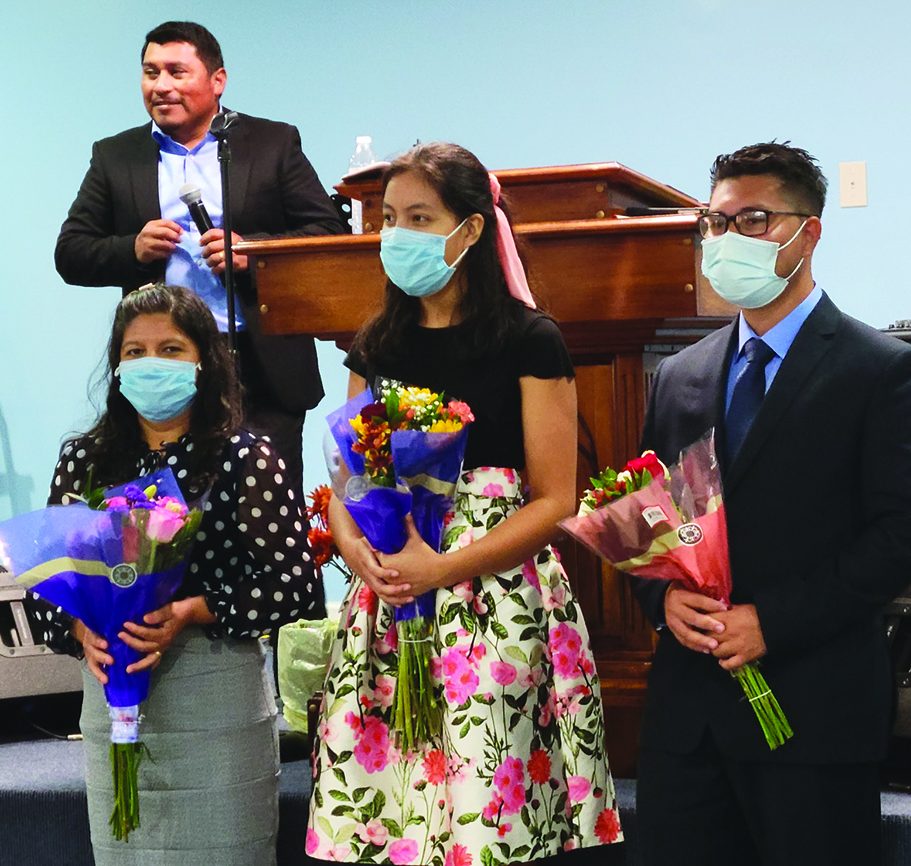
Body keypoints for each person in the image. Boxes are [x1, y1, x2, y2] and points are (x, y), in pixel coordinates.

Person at [305, 142, 623, 865]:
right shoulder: (376, 344)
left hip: (492, 594)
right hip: (391, 593)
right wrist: (356, 550)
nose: (397, 234)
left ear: (471, 229)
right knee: (390, 810)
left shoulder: (528, 339)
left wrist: (442, 568)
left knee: (490, 808)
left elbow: (555, 499)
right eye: (388, 219)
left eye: (419, 218)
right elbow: (351, 477)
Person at [633, 141, 911, 866]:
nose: (727, 239)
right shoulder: (679, 375)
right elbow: (649, 518)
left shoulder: (881, 369)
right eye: (714, 222)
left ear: (807, 232)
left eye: (751, 220)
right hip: (689, 723)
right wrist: (662, 600)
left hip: (813, 712)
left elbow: (898, 536)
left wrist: (773, 622)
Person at [27, 283, 326, 865]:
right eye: (134, 352)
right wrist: (82, 629)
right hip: (111, 699)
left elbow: (294, 583)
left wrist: (192, 610)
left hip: (215, 702)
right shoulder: (85, 460)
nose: (151, 363)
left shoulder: (244, 456)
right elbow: (45, 581)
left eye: (170, 349)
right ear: (117, 366)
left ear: (203, 360)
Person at [54, 20, 344, 502]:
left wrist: (252, 252)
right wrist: (132, 249)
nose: (160, 86)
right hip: (163, 367)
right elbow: (71, 252)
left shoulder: (271, 143)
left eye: (176, 71)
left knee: (265, 512)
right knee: (167, 516)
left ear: (217, 80)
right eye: (150, 72)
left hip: (260, 364)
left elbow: (327, 234)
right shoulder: (116, 156)